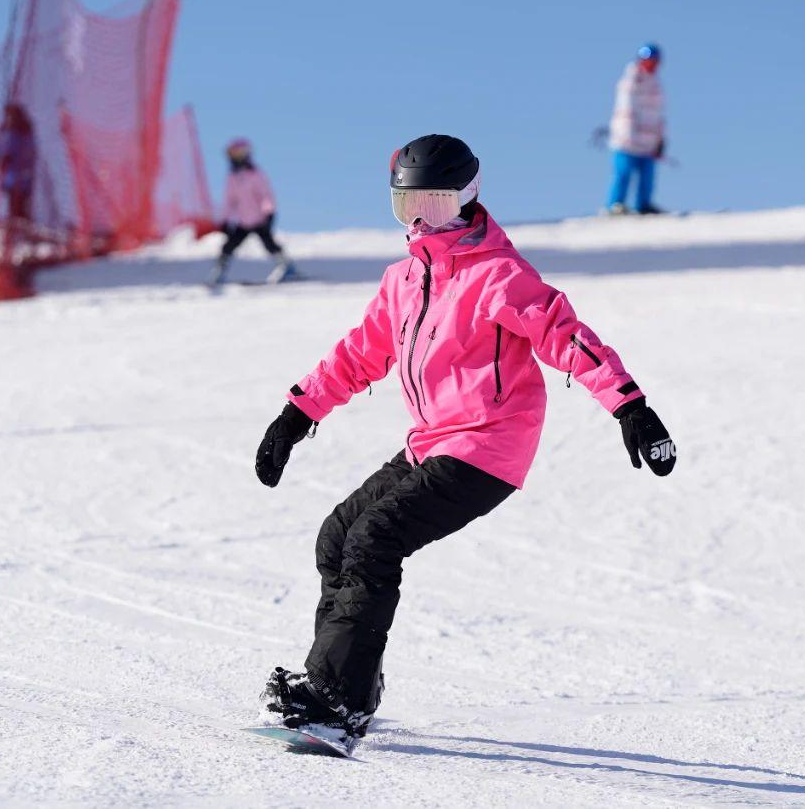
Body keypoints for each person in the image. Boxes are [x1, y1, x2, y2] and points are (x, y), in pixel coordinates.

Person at [253, 134, 677, 754]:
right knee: (338, 536)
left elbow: (566, 336)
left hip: (489, 447)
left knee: (375, 538)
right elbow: (360, 354)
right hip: (432, 442)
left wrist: (630, 405)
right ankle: (349, 689)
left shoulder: (499, 274)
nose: (423, 219)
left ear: (468, 197)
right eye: (408, 206)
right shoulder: (404, 279)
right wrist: (296, 414)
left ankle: (334, 699)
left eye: (437, 204)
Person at [211, 138, 289, 284]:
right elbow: (229, 201)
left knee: (269, 244)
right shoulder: (232, 177)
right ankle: (219, 271)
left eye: (236, 154)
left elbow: (266, 195)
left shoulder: (255, 175)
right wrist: (225, 220)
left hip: (259, 219)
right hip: (243, 221)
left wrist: (269, 213)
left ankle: (286, 267)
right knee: (228, 246)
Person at [605, 43, 666, 215]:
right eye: (649, 61)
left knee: (647, 175)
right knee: (623, 172)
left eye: (655, 62)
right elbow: (625, 111)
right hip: (627, 140)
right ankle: (615, 204)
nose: (652, 65)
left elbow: (659, 115)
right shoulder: (630, 82)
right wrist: (626, 135)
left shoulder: (656, 86)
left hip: (648, 142)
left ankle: (643, 204)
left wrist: (660, 139)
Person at [0, 102, 37, 222]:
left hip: (17, 171)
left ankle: (18, 219)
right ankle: (18, 217)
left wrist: (5, 158)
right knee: (17, 197)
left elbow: (10, 148)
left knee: (17, 197)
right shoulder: (20, 130)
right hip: (18, 171)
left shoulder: (18, 131)